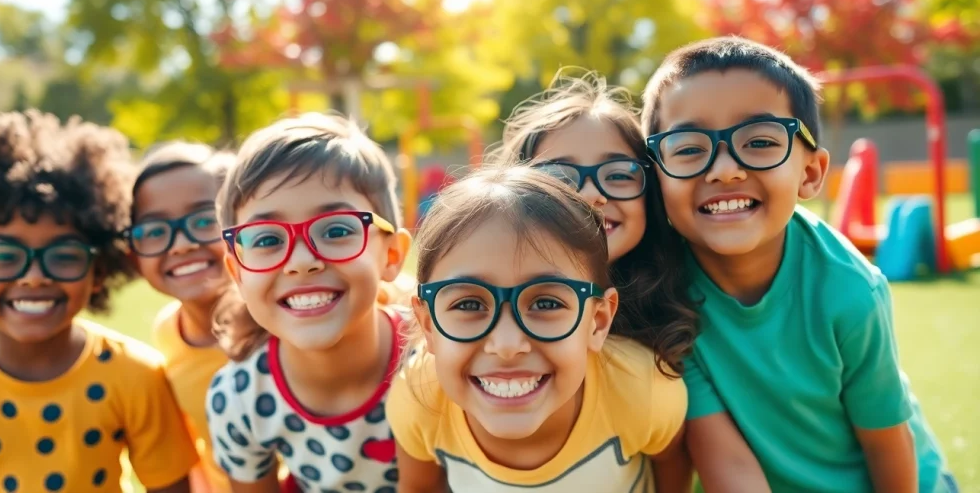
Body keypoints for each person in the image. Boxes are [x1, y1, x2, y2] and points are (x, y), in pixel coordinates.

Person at [640, 36, 955, 493]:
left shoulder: (849, 291)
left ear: (809, 174)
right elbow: (723, 456)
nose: (724, 169)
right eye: (688, 148)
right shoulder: (663, 288)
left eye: (760, 141)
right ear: (656, 176)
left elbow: (887, 442)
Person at [386, 166, 689, 493]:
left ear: (598, 321)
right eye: (469, 305)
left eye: (546, 304)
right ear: (428, 324)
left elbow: (673, 473)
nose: (506, 344)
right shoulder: (421, 401)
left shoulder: (643, 393)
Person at [492, 71, 728, 489]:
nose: (591, 195)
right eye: (559, 177)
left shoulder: (676, 311)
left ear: (650, 193)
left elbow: (672, 469)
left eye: (619, 175)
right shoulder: (487, 326)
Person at [0, 110, 198, 492]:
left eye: (64, 255)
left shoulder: (136, 375)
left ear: (98, 271)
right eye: (5, 257)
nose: (34, 278)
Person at [206, 112, 413, 493]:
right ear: (237, 274)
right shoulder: (239, 397)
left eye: (336, 230)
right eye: (266, 240)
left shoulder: (436, 365)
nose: (302, 262)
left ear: (392, 255)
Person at [126, 142, 238, 493]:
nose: (180, 245)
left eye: (205, 220)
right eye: (155, 231)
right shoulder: (167, 332)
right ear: (133, 255)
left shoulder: (289, 320)